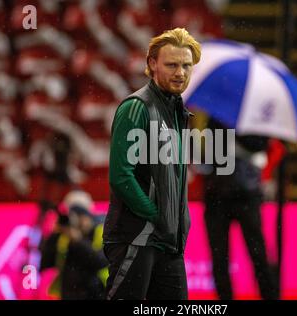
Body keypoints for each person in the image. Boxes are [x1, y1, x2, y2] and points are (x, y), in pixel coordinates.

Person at [102, 28, 201, 300]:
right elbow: (121, 176)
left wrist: (179, 221)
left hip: (167, 242)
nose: (180, 72)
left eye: (186, 65)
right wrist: (156, 216)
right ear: (152, 64)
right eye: (171, 64)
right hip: (137, 238)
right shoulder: (136, 107)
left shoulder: (177, 110)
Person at [203, 118, 279, 300]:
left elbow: (261, 145)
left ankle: (269, 295)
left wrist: (238, 132)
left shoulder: (255, 118)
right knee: (219, 258)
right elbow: (210, 152)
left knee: (258, 255)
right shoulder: (217, 117)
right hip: (218, 195)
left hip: (246, 194)